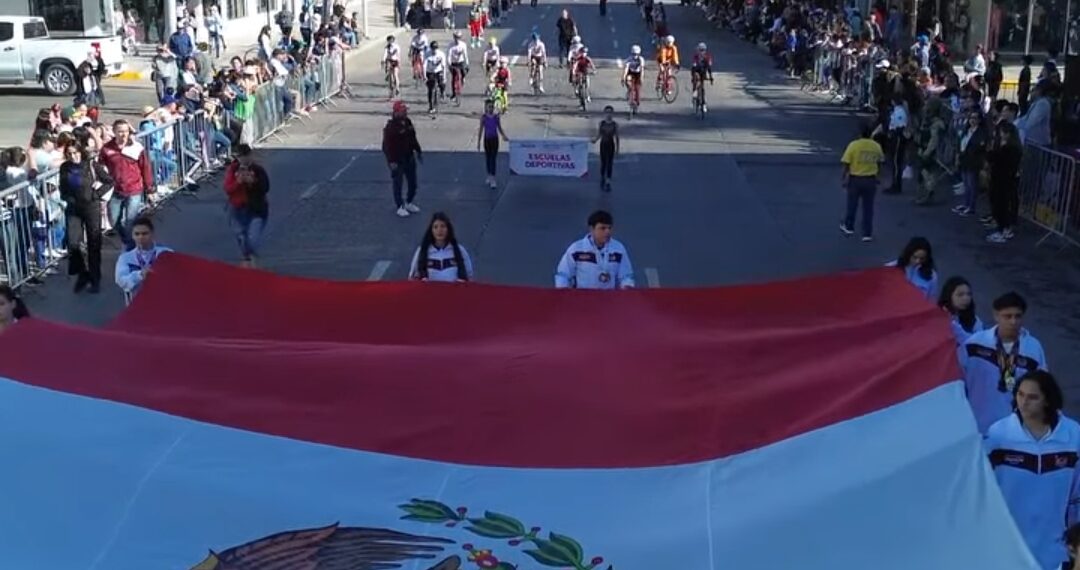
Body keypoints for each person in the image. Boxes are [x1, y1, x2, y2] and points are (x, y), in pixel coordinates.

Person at [985, 371, 1080, 570]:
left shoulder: (1073, 436)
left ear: (1047, 400)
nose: (1024, 402)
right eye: (1020, 394)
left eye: (1032, 397)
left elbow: (1077, 495)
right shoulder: (998, 435)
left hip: (1054, 551)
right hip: (1009, 547)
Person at [960, 291, 1049, 434]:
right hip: (977, 425)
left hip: (1013, 429)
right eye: (1007, 316)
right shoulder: (975, 344)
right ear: (996, 316)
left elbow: (1042, 387)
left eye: (1018, 316)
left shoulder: (1033, 348)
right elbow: (957, 379)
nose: (1013, 322)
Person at [58, 143, 111, 294]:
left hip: (91, 207)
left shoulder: (91, 165)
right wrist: (67, 198)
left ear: (81, 152)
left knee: (94, 243)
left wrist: (97, 194)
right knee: (72, 243)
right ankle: (83, 273)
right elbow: (62, 188)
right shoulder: (64, 168)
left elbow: (109, 181)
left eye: (75, 153)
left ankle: (95, 279)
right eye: (69, 154)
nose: (73, 156)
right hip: (73, 209)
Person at [98, 120, 153, 250]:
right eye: (120, 131)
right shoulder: (106, 149)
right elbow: (100, 167)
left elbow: (145, 168)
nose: (123, 134)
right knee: (113, 221)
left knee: (130, 221)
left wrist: (149, 188)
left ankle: (131, 248)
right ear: (114, 132)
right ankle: (128, 241)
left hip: (134, 189)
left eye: (126, 131)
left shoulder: (136, 147)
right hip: (115, 190)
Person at [555, 210, 635, 290]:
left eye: (609, 228)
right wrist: (563, 293)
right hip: (583, 296)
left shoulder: (618, 249)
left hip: (610, 296)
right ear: (591, 229)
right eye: (602, 228)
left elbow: (626, 276)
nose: (607, 232)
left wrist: (627, 288)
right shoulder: (576, 249)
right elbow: (563, 275)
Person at [223, 144, 270, 268]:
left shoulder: (258, 170)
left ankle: (250, 258)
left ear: (250, 155)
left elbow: (265, 187)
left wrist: (253, 182)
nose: (243, 159)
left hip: (256, 209)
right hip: (237, 209)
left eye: (245, 156)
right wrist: (238, 182)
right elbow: (228, 189)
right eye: (240, 157)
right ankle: (248, 259)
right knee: (241, 235)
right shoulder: (233, 170)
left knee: (253, 238)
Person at [839, 122, 884, 242]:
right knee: (868, 207)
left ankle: (849, 226)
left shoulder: (854, 145)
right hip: (870, 179)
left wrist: (844, 177)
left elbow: (846, 163)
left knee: (852, 204)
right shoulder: (876, 146)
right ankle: (867, 233)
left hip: (855, 179)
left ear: (860, 133)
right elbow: (880, 161)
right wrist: (878, 175)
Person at [115, 217, 173, 301]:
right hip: (137, 304)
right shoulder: (125, 258)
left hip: (162, 301)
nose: (141, 237)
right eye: (137, 234)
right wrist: (140, 275)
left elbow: (175, 277)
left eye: (145, 233)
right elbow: (121, 281)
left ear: (152, 234)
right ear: (132, 236)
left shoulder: (165, 253)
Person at [382, 101, 424, 217]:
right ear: (396, 112)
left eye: (405, 110)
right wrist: (391, 161)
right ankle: (400, 206)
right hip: (397, 160)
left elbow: (413, 138)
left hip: (409, 157)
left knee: (413, 183)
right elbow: (386, 146)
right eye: (403, 111)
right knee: (398, 183)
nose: (405, 112)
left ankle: (409, 202)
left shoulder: (408, 122)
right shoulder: (391, 127)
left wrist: (418, 151)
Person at [409, 212, 474, 282]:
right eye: (435, 227)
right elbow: (412, 278)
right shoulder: (422, 250)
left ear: (448, 229)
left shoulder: (460, 250)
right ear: (431, 230)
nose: (439, 230)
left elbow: (469, 276)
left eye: (443, 226)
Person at [938, 276, 984, 346]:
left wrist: (955, 327)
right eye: (960, 295)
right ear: (949, 296)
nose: (966, 298)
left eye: (969, 294)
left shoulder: (974, 319)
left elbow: (978, 342)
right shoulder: (937, 316)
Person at [477, 99, 508, 189]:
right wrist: (478, 142)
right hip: (487, 140)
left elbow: (499, 127)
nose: (491, 108)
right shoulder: (483, 118)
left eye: (492, 107)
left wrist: (504, 135)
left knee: (493, 159)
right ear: (486, 108)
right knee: (488, 158)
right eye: (489, 107)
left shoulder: (496, 117)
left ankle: (493, 178)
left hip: (494, 140)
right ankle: (489, 175)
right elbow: (480, 130)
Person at [592, 106, 619, 192]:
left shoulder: (615, 124)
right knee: (603, 163)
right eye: (607, 112)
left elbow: (617, 137)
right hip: (603, 144)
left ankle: (608, 180)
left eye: (610, 112)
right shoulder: (601, 123)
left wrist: (617, 149)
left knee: (610, 163)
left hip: (610, 145)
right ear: (605, 113)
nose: (608, 114)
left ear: (612, 113)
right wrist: (595, 140)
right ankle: (602, 176)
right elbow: (599, 134)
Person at [424, 40, 447, 114]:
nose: (434, 50)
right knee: (430, 89)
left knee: (441, 84)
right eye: (433, 49)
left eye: (435, 48)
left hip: (438, 71)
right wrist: (424, 76)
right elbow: (424, 65)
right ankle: (431, 106)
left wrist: (444, 76)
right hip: (430, 72)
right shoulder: (427, 54)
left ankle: (442, 91)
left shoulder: (441, 54)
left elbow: (444, 66)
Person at [690, 42, 714, 111]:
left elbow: (709, 68)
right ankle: (694, 92)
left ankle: (703, 103)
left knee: (702, 88)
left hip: (703, 72)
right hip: (696, 71)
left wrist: (711, 77)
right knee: (696, 78)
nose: (701, 52)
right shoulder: (696, 56)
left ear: (705, 50)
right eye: (700, 50)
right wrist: (693, 77)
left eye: (703, 50)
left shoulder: (708, 57)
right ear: (698, 50)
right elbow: (693, 66)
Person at [447, 32, 469, 101]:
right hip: (453, 63)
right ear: (454, 38)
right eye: (456, 37)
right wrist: (449, 64)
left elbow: (465, 55)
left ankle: (463, 78)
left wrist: (467, 63)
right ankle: (454, 94)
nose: (457, 39)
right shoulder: (451, 45)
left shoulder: (463, 45)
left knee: (463, 73)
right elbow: (449, 55)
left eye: (458, 38)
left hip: (461, 62)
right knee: (454, 78)